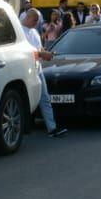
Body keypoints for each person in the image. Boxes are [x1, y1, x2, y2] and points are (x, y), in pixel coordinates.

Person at [20, 9, 68, 138]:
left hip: (37, 67)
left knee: (44, 98)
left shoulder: (34, 32)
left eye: (38, 21)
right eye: (35, 20)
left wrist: (46, 53)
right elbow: (25, 52)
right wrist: (42, 54)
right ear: (27, 17)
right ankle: (24, 128)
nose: (36, 23)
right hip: (26, 70)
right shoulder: (20, 31)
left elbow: (39, 48)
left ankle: (52, 128)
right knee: (27, 98)